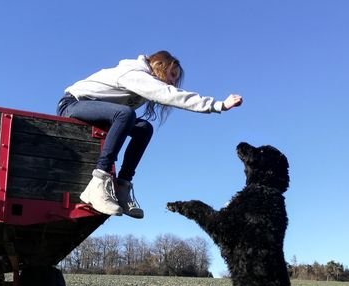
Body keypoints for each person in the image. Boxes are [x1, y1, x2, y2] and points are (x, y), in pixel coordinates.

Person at [57, 50, 242, 219]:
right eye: (172, 75)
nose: (173, 82)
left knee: (144, 128)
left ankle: (122, 186)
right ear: (159, 66)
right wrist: (218, 105)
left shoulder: (142, 79)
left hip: (98, 113)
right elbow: (171, 95)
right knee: (125, 113)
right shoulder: (135, 74)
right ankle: (98, 183)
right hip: (72, 105)